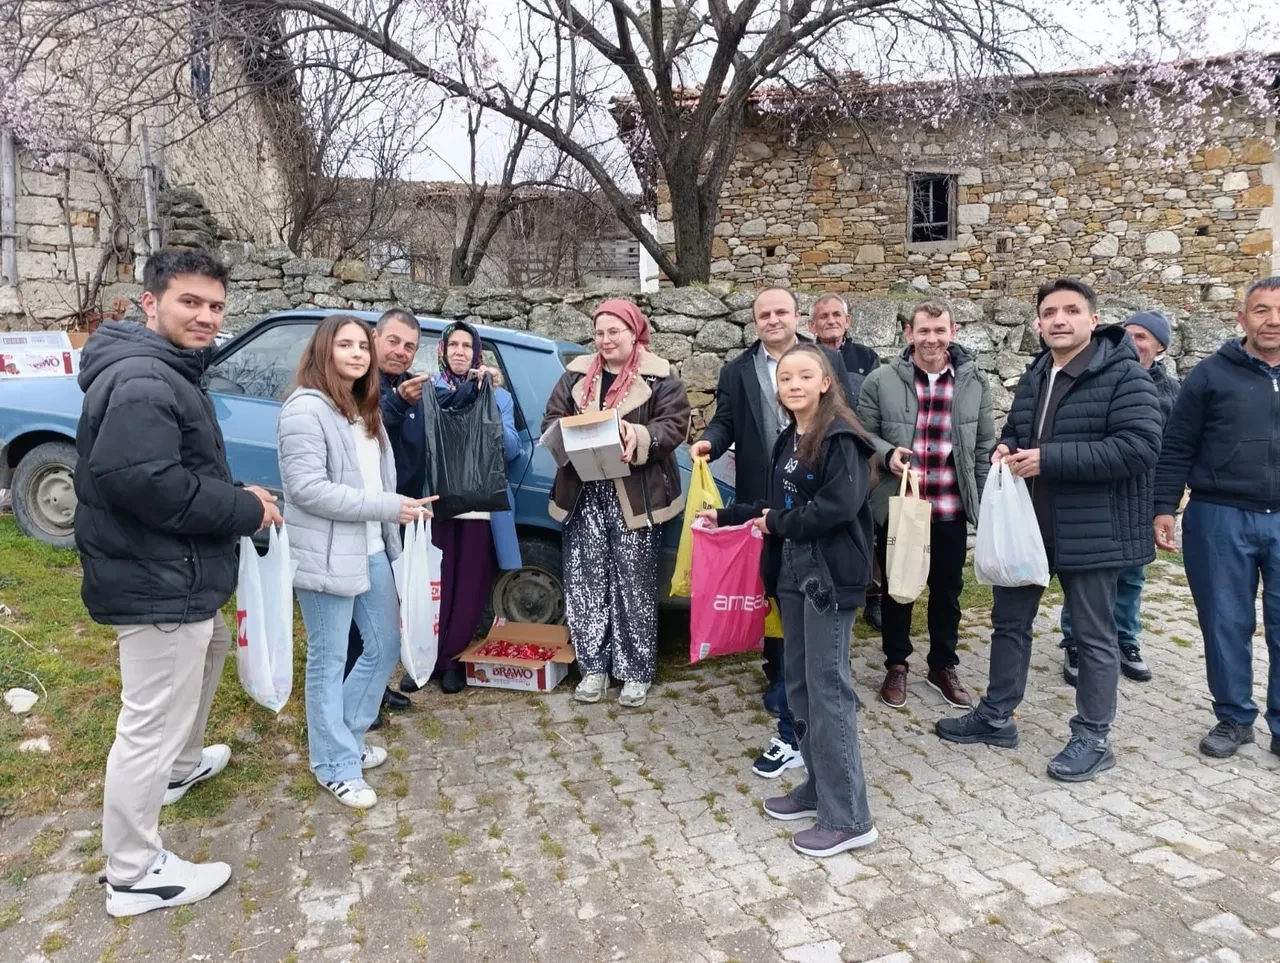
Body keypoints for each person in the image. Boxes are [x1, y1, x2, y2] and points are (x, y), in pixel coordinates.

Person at [76, 248, 282, 917]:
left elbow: (170, 465)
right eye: (190, 302)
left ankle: (182, 763)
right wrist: (245, 508)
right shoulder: (143, 378)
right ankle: (133, 871)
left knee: (212, 644)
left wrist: (230, 492)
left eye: (215, 306)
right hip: (156, 577)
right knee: (147, 721)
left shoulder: (164, 370)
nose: (205, 316)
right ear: (151, 302)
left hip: (173, 571)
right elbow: (144, 482)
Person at [935, 278, 1161, 782]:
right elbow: (1019, 430)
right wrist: (1007, 448)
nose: (1059, 319)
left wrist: (1049, 460)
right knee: (1009, 624)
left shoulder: (1125, 376)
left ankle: (1094, 736)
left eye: (1071, 311)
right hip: (1030, 527)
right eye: (1050, 312)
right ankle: (996, 716)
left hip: (1092, 530)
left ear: (1092, 319)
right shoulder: (1038, 373)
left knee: (1093, 635)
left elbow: (1139, 447)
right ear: (1038, 322)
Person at [698, 344, 878, 858]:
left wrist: (774, 522)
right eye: (785, 377)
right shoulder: (788, 439)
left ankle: (849, 818)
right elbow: (777, 506)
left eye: (805, 375)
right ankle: (818, 787)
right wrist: (730, 517)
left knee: (828, 690)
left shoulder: (843, 437)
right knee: (798, 685)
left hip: (828, 577)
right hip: (792, 574)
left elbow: (837, 507)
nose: (794, 383)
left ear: (826, 382)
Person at [692, 287, 853, 780]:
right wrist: (708, 443)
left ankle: (800, 719)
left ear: (796, 317)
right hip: (765, 496)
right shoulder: (737, 371)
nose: (773, 319)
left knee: (808, 625)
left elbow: (847, 425)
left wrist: (882, 454)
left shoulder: (825, 364)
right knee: (776, 600)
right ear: (755, 321)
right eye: (764, 314)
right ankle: (789, 699)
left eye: (781, 311)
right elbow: (724, 422)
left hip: (810, 515)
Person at [277, 315, 434, 809]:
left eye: (361, 345)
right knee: (327, 661)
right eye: (344, 345)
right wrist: (389, 506)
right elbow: (307, 491)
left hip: (369, 550)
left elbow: (375, 482)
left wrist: (391, 519)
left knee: (386, 646)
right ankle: (334, 765)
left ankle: (343, 737)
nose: (357, 354)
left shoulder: (362, 410)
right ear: (323, 351)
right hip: (325, 556)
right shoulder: (305, 409)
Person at [1154, 276, 1280, 761]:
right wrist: (1164, 506)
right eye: (1261, 310)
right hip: (1219, 515)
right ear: (1242, 318)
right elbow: (1178, 445)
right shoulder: (1209, 376)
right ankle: (1234, 718)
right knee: (1225, 621)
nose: (1272, 320)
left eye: (1279, 310)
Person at [543, 300, 691, 708]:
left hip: (635, 493)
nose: (605, 340)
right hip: (584, 491)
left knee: (635, 583)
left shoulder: (661, 378)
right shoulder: (575, 376)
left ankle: (635, 671)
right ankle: (593, 668)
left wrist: (638, 435)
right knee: (585, 582)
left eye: (614, 332)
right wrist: (568, 432)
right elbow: (552, 417)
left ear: (634, 332)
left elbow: (674, 424)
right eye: (600, 332)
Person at [858, 300, 994, 710]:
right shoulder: (881, 380)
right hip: (902, 506)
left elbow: (984, 445)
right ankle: (896, 664)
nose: (932, 338)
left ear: (953, 332)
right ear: (908, 334)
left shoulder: (974, 381)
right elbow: (863, 435)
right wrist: (886, 454)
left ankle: (942, 665)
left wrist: (985, 503)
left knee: (947, 591)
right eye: (924, 331)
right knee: (899, 589)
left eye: (940, 330)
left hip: (950, 504)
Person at [1059, 310, 1178, 687]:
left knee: (1131, 576)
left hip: (1141, 498)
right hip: (1098, 494)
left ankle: (1125, 638)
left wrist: (1165, 506)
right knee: (1084, 572)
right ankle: (1074, 640)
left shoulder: (1172, 392)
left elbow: (1174, 452)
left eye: (1142, 337)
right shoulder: (1098, 380)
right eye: (1129, 334)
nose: (1133, 343)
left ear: (1159, 346)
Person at [422, 320, 524, 694]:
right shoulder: (429, 391)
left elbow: (512, 449)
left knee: (468, 586)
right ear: (443, 351)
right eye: (455, 345)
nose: (461, 351)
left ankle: (451, 661)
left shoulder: (498, 397)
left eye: (468, 346)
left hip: (480, 508)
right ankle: (428, 659)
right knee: (437, 584)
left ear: (477, 353)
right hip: (438, 505)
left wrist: (487, 401)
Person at [347, 309, 431, 721]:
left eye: (409, 346)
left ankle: (375, 689)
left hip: (400, 513)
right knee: (357, 617)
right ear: (375, 337)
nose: (400, 352)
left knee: (384, 611)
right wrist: (397, 403)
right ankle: (358, 697)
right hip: (366, 515)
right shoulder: (360, 384)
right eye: (394, 341)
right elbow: (368, 429)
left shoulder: (408, 385)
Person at [808, 294, 884, 631]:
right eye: (823, 316)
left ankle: (873, 595)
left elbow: (875, 405)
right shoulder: (806, 357)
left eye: (837, 314)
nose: (830, 320)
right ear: (811, 325)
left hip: (860, 451)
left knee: (869, 527)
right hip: (820, 452)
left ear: (848, 321)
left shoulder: (867, 358)